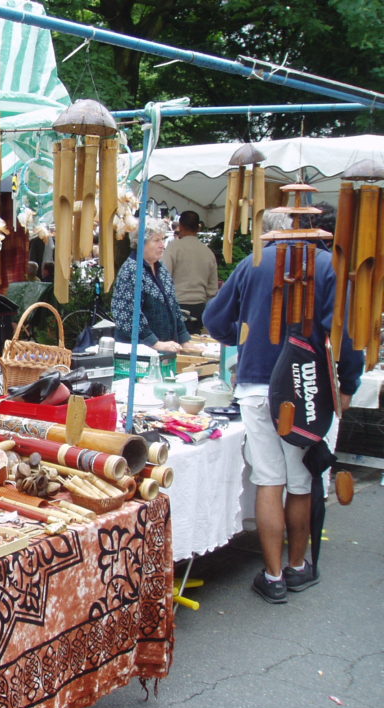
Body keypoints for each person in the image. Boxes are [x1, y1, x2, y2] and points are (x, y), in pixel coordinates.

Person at [203, 210, 363, 604]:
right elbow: (346, 333)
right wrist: (349, 382)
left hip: (258, 384)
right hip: (307, 388)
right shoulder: (327, 265)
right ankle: (295, 568)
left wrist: (238, 332)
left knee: (269, 480)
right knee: (300, 481)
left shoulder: (253, 261)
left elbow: (214, 320)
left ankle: (272, 576)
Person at [111, 217, 195, 353]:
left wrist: (184, 339)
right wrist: (154, 343)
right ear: (140, 243)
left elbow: (174, 307)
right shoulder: (131, 270)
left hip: (165, 350)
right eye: (156, 240)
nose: (162, 245)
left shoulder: (161, 269)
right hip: (139, 354)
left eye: (162, 239)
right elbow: (126, 314)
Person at [163, 210, 219, 333]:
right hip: (199, 308)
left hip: (176, 305)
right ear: (198, 228)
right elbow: (213, 289)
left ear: (180, 226)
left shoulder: (173, 248)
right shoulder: (208, 253)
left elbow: (164, 279)